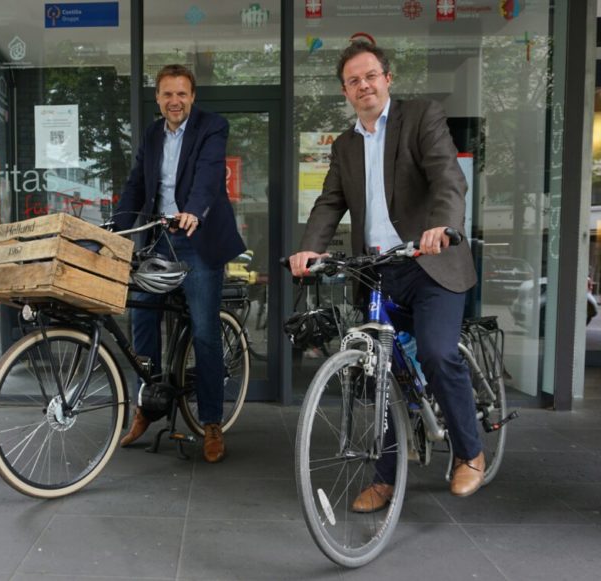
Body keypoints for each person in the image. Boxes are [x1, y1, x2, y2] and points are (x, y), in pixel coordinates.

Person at [289, 41, 484, 511]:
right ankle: (384, 477)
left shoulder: (420, 118)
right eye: (354, 80)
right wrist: (310, 247)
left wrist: (445, 226)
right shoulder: (344, 144)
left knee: (437, 353)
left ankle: (470, 451)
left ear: (387, 78)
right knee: (379, 374)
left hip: (429, 263)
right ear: (345, 91)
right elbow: (330, 202)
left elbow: (447, 178)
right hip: (379, 272)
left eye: (371, 75)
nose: (364, 85)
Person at [112, 64, 246, 463]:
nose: (175, 101)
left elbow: (207, 176)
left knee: (204, 333)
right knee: (142, 322)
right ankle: (148, 406)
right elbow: (137, 185)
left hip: (195, 239)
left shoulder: (212, 127)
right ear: (158, 98)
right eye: (167, 94)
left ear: (193, 97)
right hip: (157, 241)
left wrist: (193, 210)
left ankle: (210, 422)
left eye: (182, 94)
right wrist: (117, 230)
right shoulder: (152, 136)